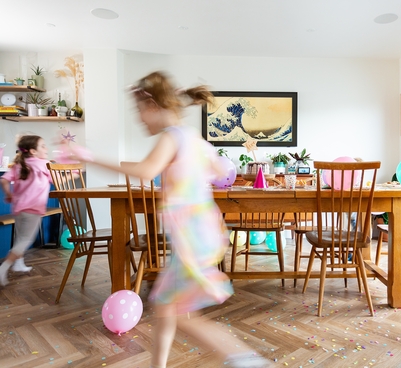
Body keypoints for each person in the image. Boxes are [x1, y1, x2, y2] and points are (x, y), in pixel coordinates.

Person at [68, 71, 271, 368]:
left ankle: (245, 359)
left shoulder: (172, 137)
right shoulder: (193, 138)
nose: (139, 119)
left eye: (138, 111)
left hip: (192, 238)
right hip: (203, 234)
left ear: (153, 106)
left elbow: (146, 171)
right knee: (166, 307)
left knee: (176, 312)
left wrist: (91, 158)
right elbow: (219, 171)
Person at [0, 135, 52, 286]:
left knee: (20, 237)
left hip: (18, 208)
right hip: (34, 209)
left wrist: (9, 194)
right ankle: (4, 267)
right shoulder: (43, 164)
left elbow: (3, 180)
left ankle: (19, 264)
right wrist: (73, 174)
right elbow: (57, 180)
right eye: (43, 146)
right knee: (25, 240)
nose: (46, 148)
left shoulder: (17, 165)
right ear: (33, 151)